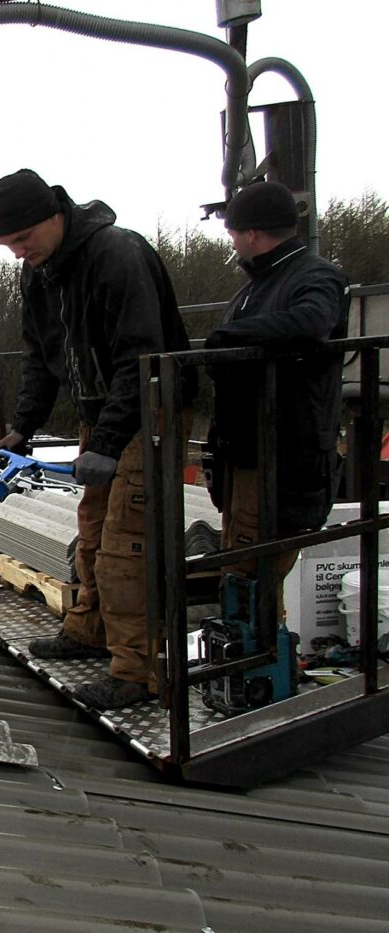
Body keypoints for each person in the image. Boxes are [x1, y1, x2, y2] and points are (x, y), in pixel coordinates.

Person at [0, 169, 197, 710]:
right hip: (100, 412)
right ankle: (89, 630)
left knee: (128, 542)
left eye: (22, 240)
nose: (17, 253)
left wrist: (105, 442)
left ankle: (138, 672)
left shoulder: (115, 255)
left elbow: (141, 358)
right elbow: (40, 356)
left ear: (54, 217)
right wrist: (23, 424)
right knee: (93, 528)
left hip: (149, 410)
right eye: (8, 245)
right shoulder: (40, 274)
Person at [205, 180, 348, 617]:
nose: (232, 243)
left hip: (281, 452)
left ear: (251, 234)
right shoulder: (257, 286)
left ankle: (260, 667)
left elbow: (313, 321)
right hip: (247, 451)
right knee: (242, 567)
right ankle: (257, 665)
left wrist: (232, 338)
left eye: (233, 234)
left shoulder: (315, 276)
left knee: (251, 573)